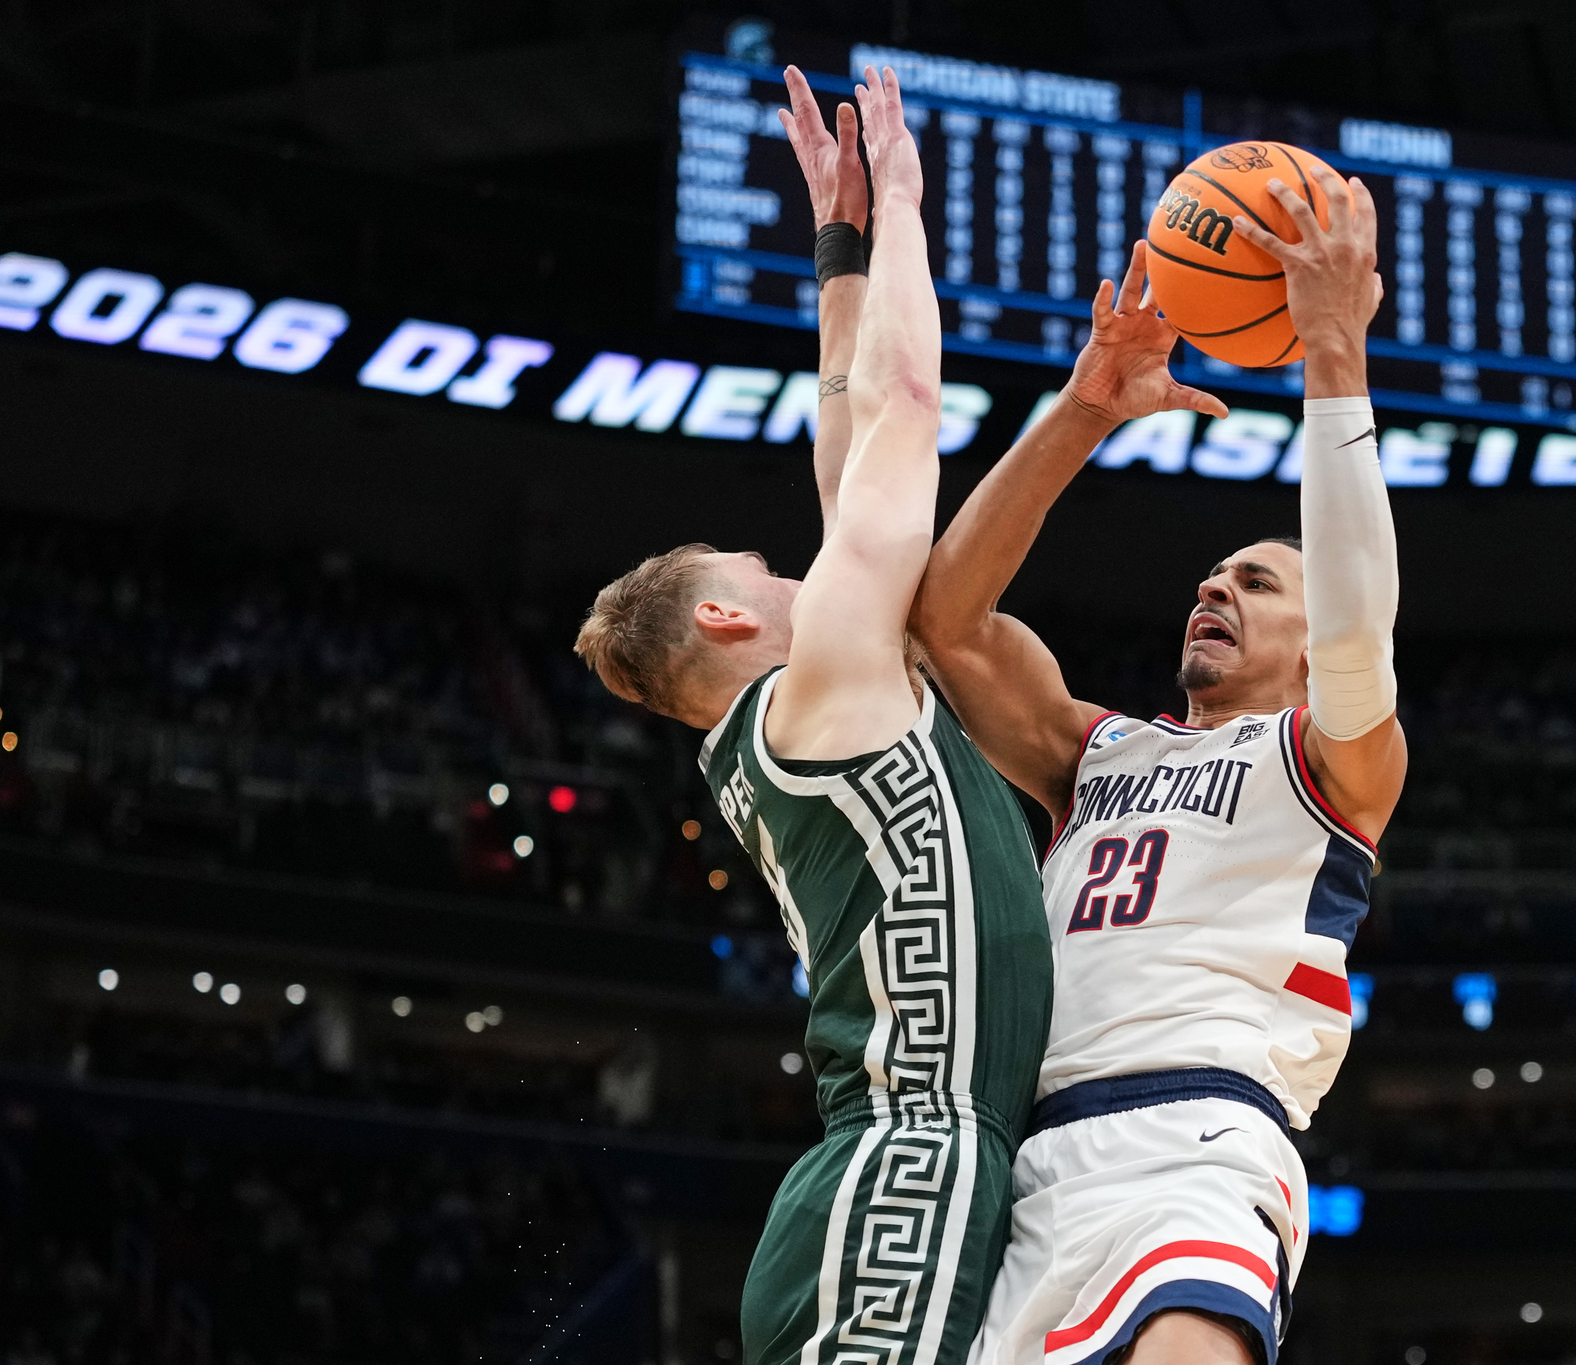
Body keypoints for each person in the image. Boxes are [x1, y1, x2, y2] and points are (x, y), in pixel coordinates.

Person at [572, 67, 1051, 1365]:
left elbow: (851, 455)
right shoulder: (821, 694)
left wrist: (838, 253)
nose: (804, 569)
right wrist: (899, 203)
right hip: (907, 1158)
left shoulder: (812, 706)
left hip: (918, 1161)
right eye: (766, 574)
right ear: (730, 622)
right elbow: (897, 416)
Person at [910, 177, 1402, 1365]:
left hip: (1198, 1136)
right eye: (1210, 577)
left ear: (1305, 636)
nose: (1212, 588)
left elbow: (1353, 624)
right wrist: (1082, 411)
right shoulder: (1099, 753)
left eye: (1254, 582)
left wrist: (1332, 353)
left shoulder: (1331, 760)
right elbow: (950, 622)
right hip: (1027, 1170)